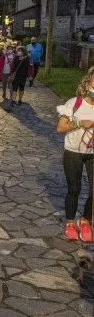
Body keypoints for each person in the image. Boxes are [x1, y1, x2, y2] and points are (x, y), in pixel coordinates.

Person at [55, 67, 94, 242]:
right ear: (88, 83)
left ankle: (85, 220)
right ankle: (70, 223)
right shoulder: (74, 103)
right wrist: (79, 123)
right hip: (73, 152)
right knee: (74, 189)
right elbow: (60, 127)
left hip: (92, 152)